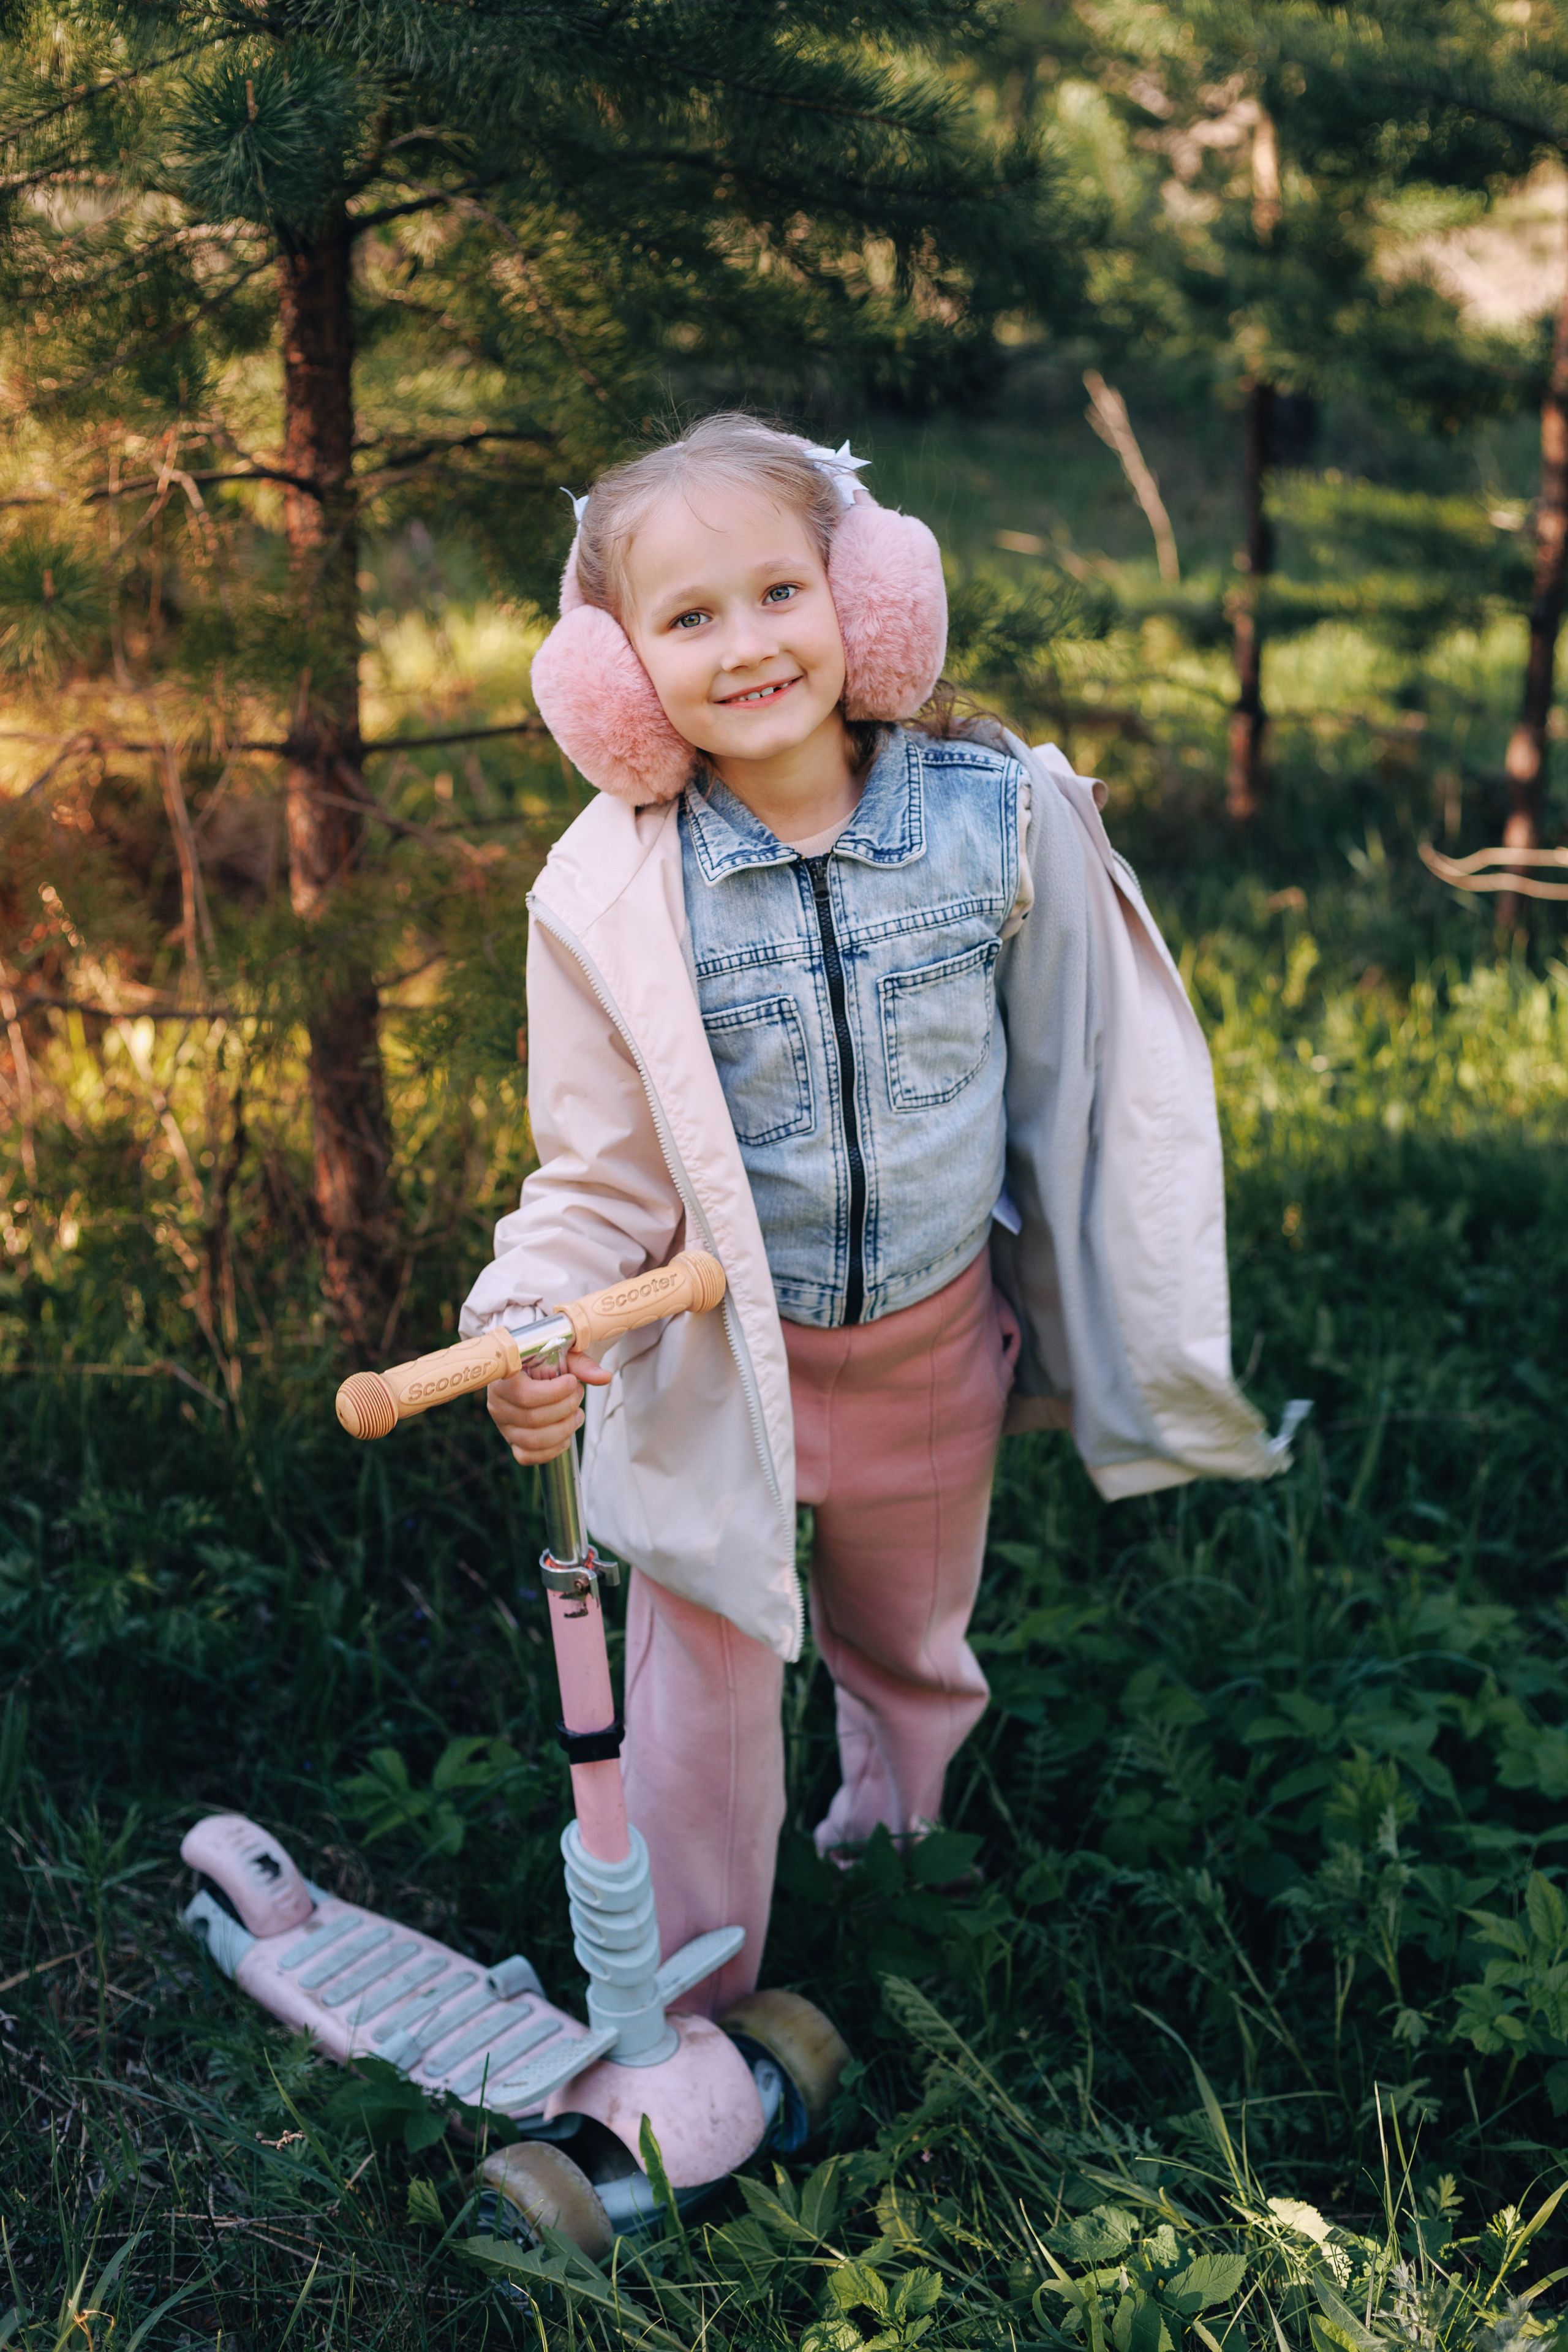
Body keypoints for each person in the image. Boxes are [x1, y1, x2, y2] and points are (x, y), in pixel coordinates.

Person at [459, 412, 1291, 2017]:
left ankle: (890, 1892)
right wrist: (531, 1312)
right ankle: (697, 2004)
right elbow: (596, 1173)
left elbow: (1075, 1072)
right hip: (718, 1383)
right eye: (688, 619)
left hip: (931, 1358)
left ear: (873, 600)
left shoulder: (998, 823)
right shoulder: (619, 899)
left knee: (915, 1653)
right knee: (698, 1709)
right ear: (614, 679)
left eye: (781, 592)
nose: (749, 644)